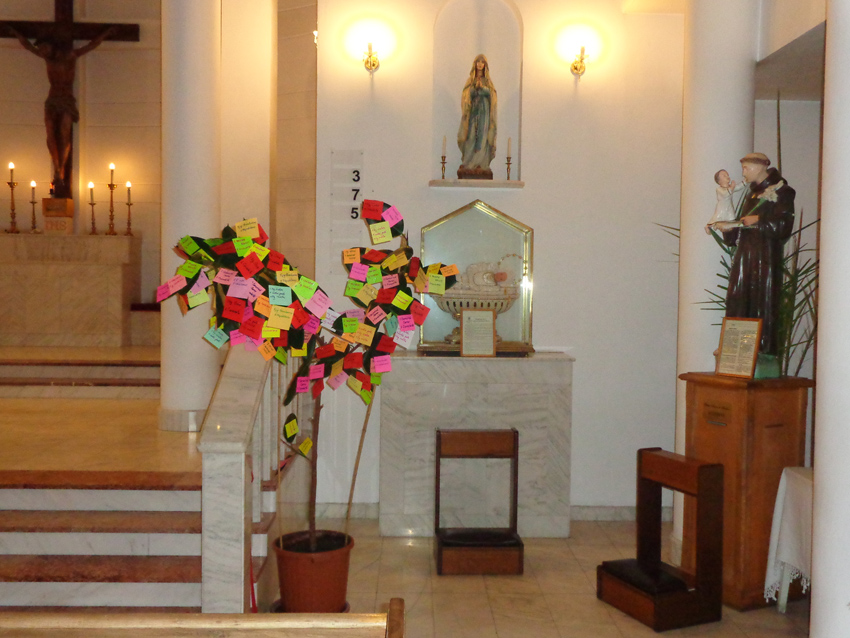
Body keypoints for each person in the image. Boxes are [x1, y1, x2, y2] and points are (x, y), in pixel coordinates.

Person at [9, 25, 116, 199]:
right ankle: (57, 173)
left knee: (65, 133)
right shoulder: (47, 59)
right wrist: (15, 33)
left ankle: (60, 171)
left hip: (66, 100)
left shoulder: (70, 56)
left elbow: (91, 45)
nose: (42, 52)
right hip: (52, 100)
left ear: (52, 46)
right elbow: (27, 46)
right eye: (41, 49)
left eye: (44, 48)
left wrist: (106, 34)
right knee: (50, 133)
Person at [721, 153, 795, 358]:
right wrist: (728, 229)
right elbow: (741, 227)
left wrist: (759, 221)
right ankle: (736, 351)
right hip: (745, 256)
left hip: (765, 257)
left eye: (747, 168)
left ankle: (762, 351)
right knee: (738, 298)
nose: (744, 173)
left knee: (762, 302)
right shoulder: (752, 194)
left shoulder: (783, 192)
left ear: (761, 167)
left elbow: (783, 226)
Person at [457, 54, 497, 178]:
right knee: (470, 135)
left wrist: (483, 89)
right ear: (475, 64)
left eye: (482, 62)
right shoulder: (470, 81)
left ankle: (481, 163)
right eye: (478, 62)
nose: (480, 64)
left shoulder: (488, 81)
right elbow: (466, 95)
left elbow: (492, 95)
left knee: (482, 136)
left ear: (485, 65)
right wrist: (474, 89)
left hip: (484, 111)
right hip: (473, 111)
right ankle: (468, 162)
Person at [705, 169, 745, 234]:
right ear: (719, 181)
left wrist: (745, 182)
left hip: (729, 207)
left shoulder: (730, 187)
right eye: (724, 176)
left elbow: (738, 187)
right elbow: (725, 194)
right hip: (721, 208)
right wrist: (732, 187)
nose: (727, 176)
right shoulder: (719, 189)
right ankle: (709, 227)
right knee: (716, 219)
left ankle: (732, 232)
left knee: (732, 219)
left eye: (727, 175)